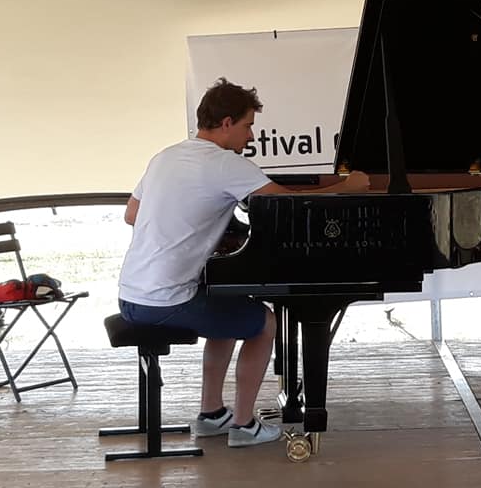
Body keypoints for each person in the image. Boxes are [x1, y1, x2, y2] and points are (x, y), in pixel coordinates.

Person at [117, 77, 370, 448]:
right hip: (164, 301)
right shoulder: (225, 164)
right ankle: (244, 424)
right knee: (264, 324)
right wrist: (347, 188)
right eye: (248, 125)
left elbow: (132, 215)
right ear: (226, 123)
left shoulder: (165, 157)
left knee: (227, 309)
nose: (250, 136)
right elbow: (290, 207)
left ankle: (211, 415)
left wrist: (194, 229)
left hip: (131, 295)